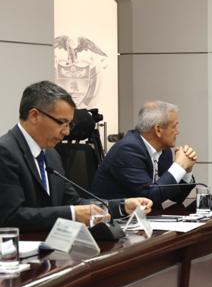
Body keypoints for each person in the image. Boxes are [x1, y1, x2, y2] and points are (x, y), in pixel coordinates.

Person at [0, 81, 151, 231]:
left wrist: (122, 206)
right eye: (62, 122)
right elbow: (10, 217)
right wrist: (72, 214)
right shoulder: (5, 152)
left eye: (69, 125)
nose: (66, 132)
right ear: (34, 116)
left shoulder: (51, 154)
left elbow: (73, 202)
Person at [92, 100, 198, 206]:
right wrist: (179, 165)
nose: (177, 132)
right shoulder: (127, 150)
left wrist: (186, 170)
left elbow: (176, 197)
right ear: (158, 130)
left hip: (144, 214)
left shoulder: (164, 151)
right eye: (174, 127)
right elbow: (149, 198)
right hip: (112, 214)